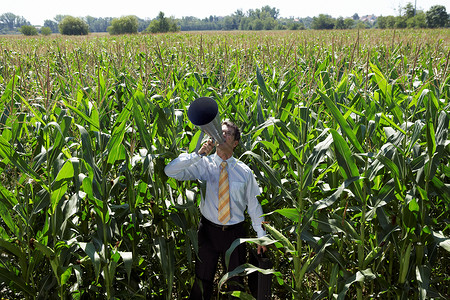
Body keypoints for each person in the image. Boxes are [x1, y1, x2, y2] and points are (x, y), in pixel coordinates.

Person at [164, 120, 267, 299]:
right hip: (208, 232)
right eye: (220, 132)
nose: (222, 135)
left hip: (235, 235)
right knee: (202, 281)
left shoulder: (245, 172)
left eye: (227, 133)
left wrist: (261, 236)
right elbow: (170, 171)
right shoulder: (204, 164)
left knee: (235, 283)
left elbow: (254, 205)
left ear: (235, 143)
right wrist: (198, 155)